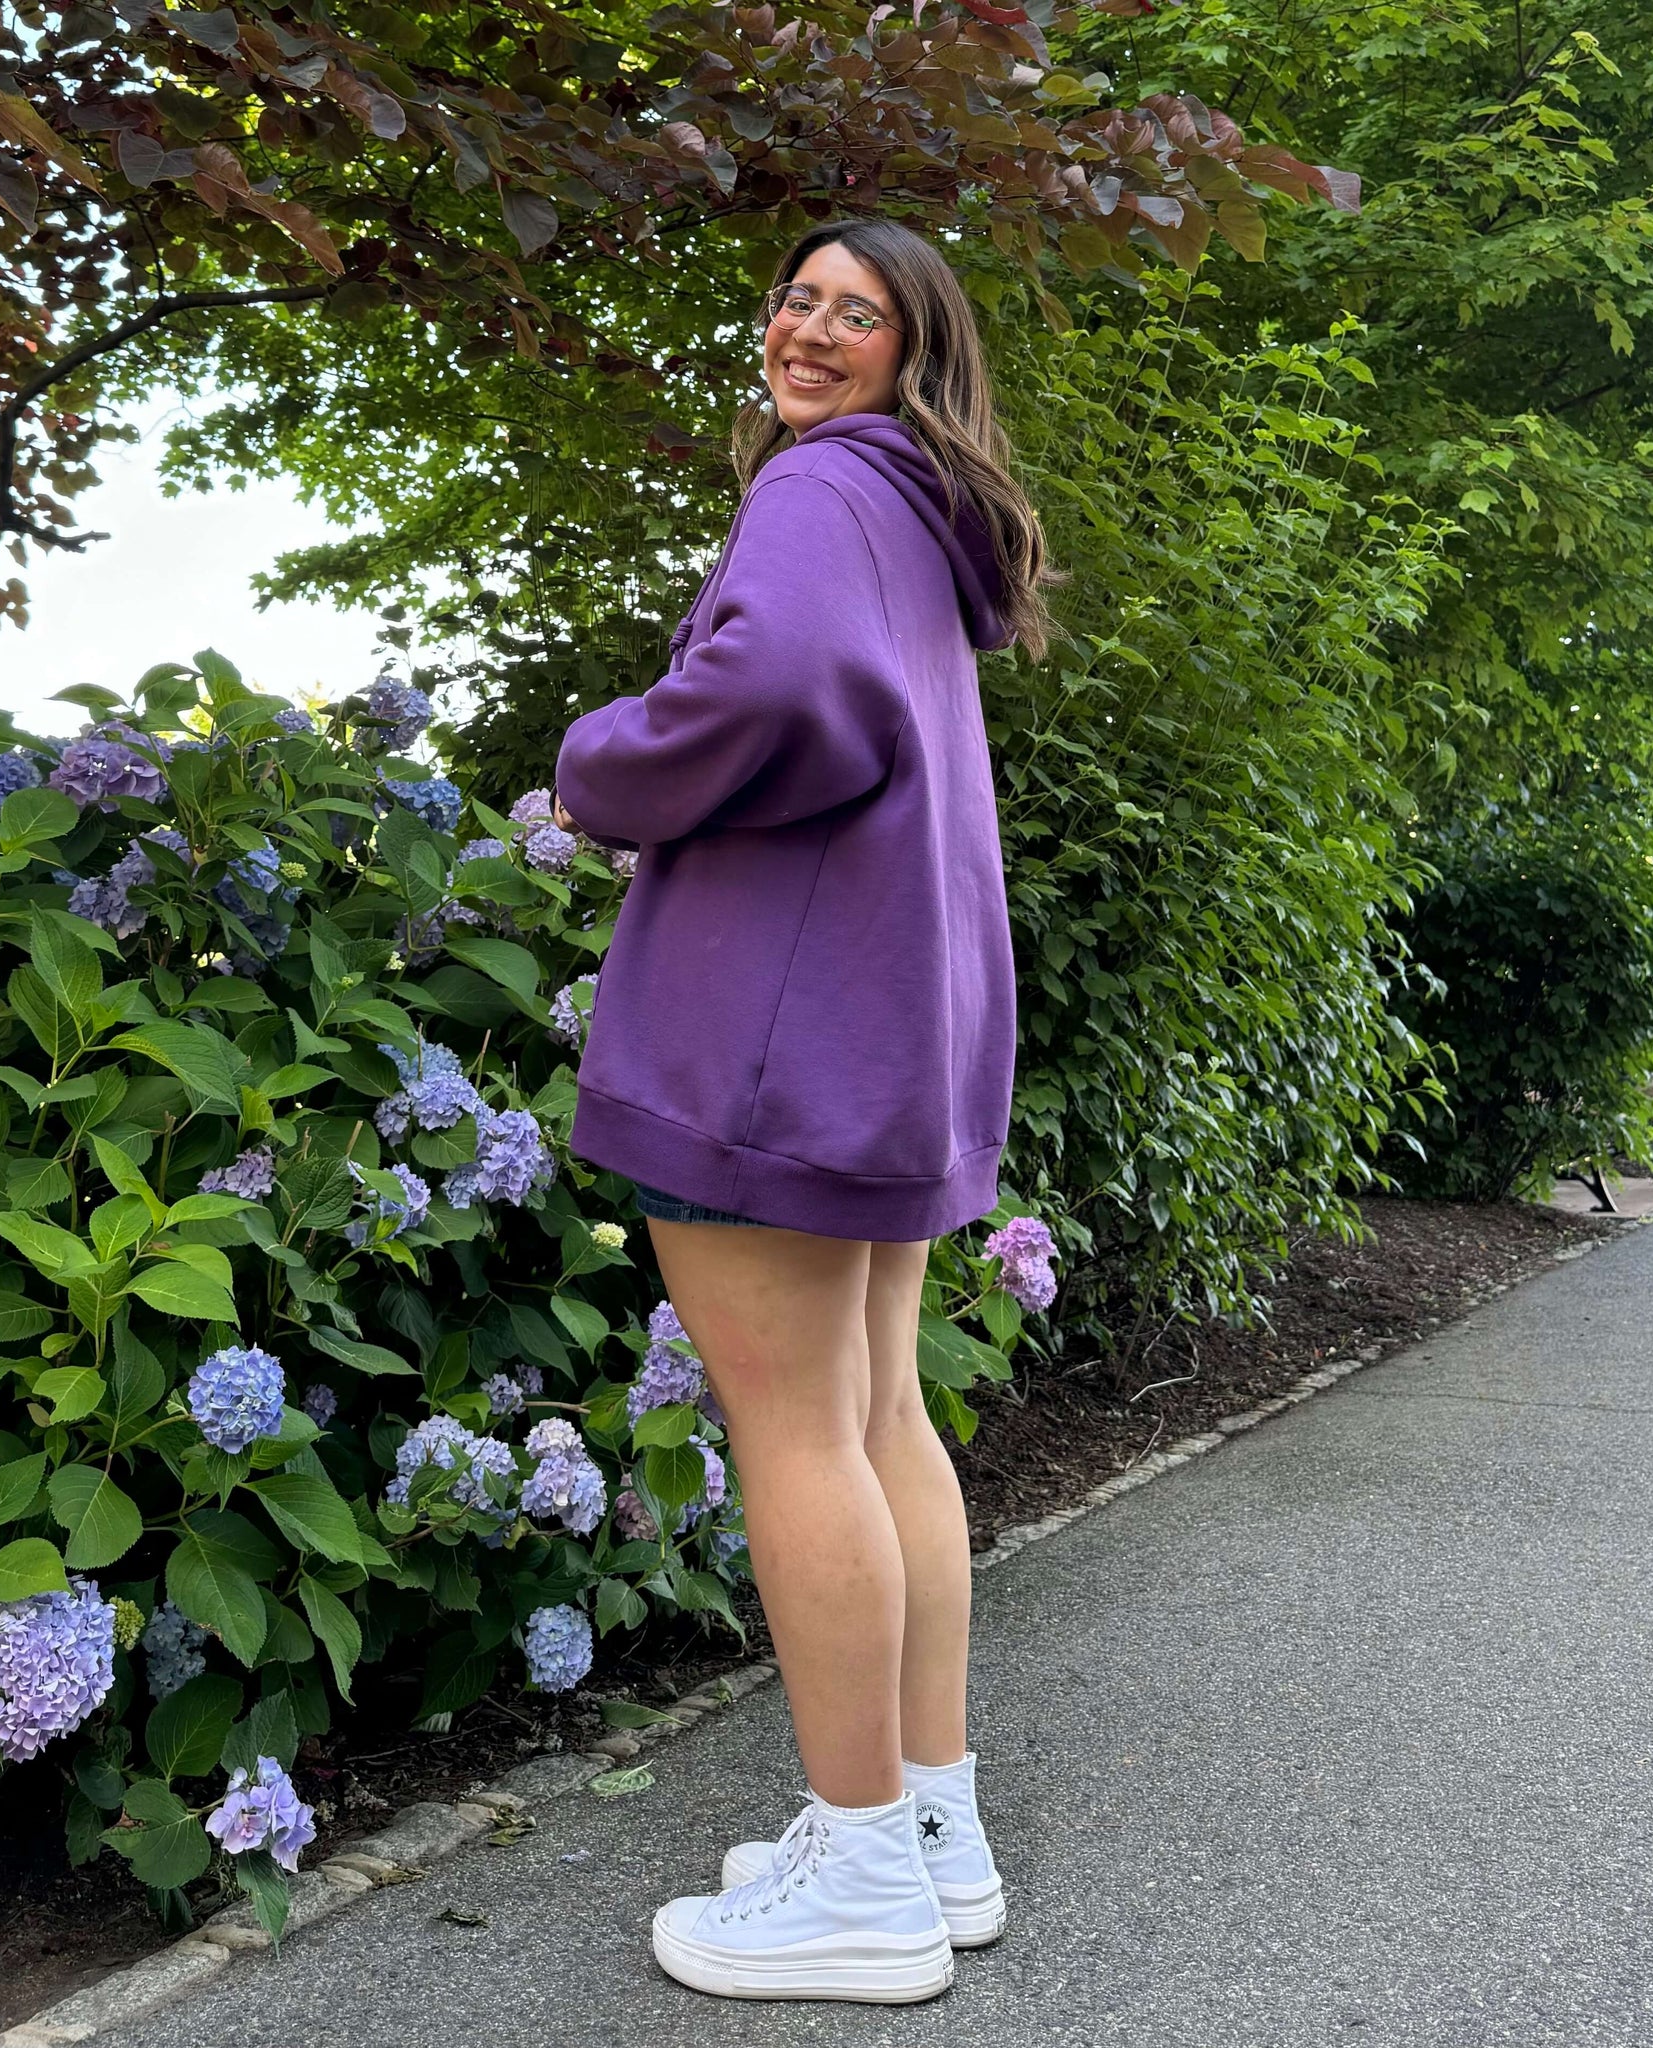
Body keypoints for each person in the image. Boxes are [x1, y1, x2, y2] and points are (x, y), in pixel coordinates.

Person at [552, 219, 1051, 2004]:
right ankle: (925, 1827)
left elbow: (772, 689)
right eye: (799, 298)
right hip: (883, 1025)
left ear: (916, 357)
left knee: (796, 1434)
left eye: (862, 314)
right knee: (876, 1413)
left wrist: (601, 762)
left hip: (775, 1034)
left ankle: (856, 1878)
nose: (813, 330)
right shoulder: (921, 511)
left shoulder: (824, 487)